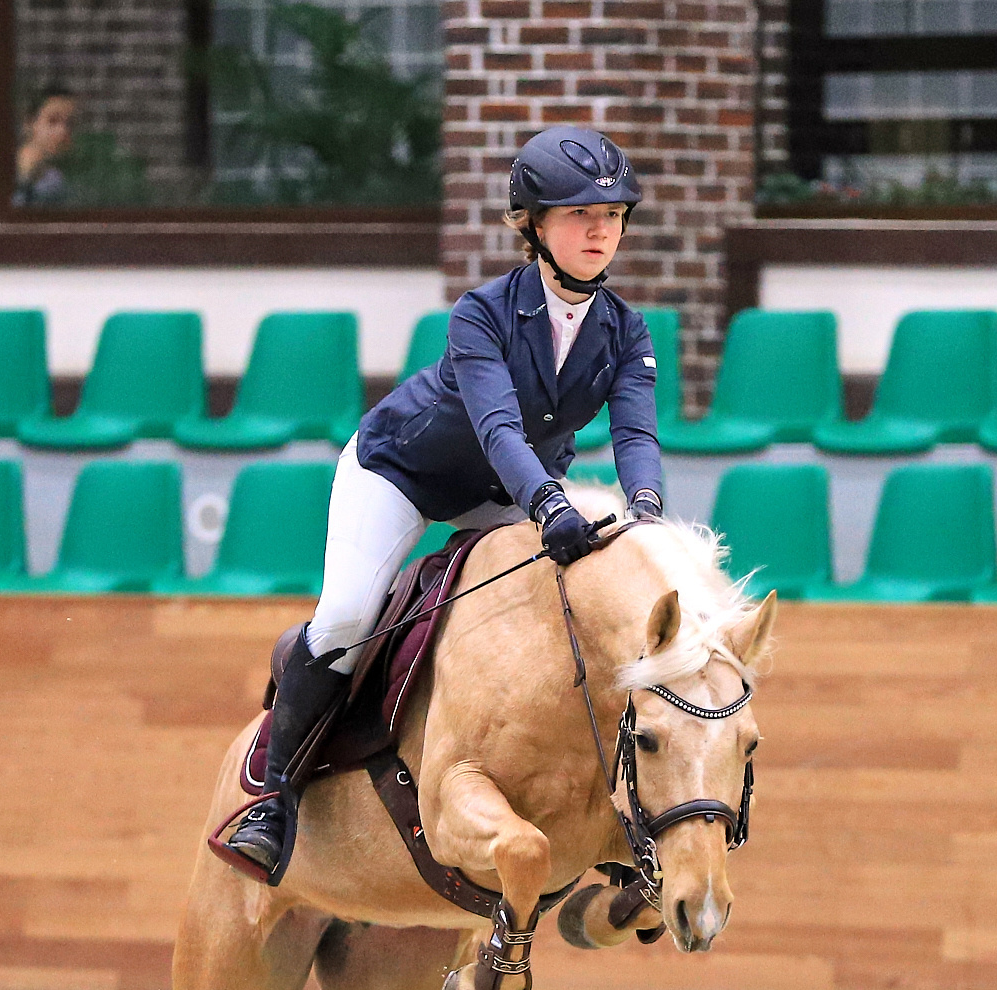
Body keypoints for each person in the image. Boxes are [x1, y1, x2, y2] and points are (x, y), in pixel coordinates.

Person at [219, 125, 666, 883]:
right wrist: (552, 508)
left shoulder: (626, 330)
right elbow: (496, 428)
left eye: (614, 215)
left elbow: (637, 434)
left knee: (566, 616)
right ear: (533, 226)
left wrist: (648, 513)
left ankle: (601, 813)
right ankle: (274, 794)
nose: (600, 230)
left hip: (510, 492)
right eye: (578, 214)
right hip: (403, 472)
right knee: (350, 616)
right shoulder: (480, 314)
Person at [15, 87, 76, 206]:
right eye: (52, 121)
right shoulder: (2, 176)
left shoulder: (54, 180)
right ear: (29, 123)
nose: (62, 131)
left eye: (70, 123)